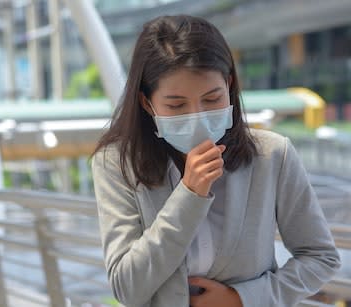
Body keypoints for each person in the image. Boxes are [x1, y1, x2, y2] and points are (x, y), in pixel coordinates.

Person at [91, 15, 341, 307]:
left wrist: (241, 299)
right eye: (176, 105)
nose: (197, 115)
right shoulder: (117, 164)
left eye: (212, 100)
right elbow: (127, 288)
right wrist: (189, 195)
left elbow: (321, 258)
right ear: (147, 102)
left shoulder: (272, 155)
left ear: (229, 84)